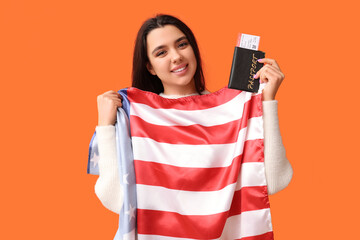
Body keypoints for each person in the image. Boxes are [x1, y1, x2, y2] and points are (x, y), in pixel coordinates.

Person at [94, 13, 293, 221]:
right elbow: (116, 199)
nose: (176, 56)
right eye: (161, 52)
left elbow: (274, 180)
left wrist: (267, 102)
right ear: (150, 67)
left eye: (182, 45)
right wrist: (105, 127)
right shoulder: (137, 119)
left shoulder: (233, 112)